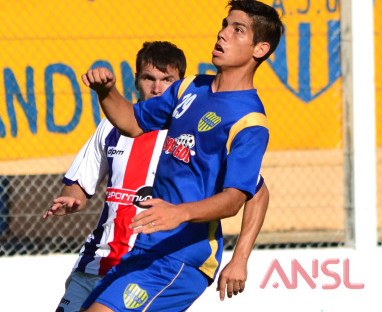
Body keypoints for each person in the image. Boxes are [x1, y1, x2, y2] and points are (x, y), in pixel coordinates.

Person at [79, 0, 283, 312]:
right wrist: (106, 90)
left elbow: (237, 198)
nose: (223, 34)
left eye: (238, 30)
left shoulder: (249, 121)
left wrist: (236, 257)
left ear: (260, 49)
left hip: (184, 257)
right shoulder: (189, 88)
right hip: (146, 249)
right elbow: (132, 122)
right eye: (225, 25)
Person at [44, 40, 269, 312]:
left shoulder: (185, 135)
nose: (157, 88)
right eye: (149, 78)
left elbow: (255, 191)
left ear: (178, 84)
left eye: (167, 80)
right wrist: (72, 198)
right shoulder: (113, 127)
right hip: (101, 260)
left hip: (156, 260)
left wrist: (240, 257)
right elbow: (79, 184)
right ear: (136, 80)